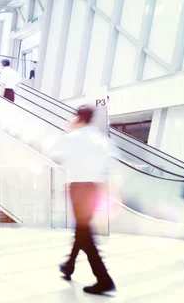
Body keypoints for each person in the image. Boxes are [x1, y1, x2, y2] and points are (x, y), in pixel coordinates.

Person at [50, 106, 116, 295]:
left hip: (78, 188)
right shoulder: (102, 139)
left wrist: (69, 129)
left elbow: (54, 152)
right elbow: (110, 165)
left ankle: (103, 279)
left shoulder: (73, 138)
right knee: (82, 228)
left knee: (84, 232)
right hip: (95, 188)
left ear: (78, 117)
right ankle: (69, 266)